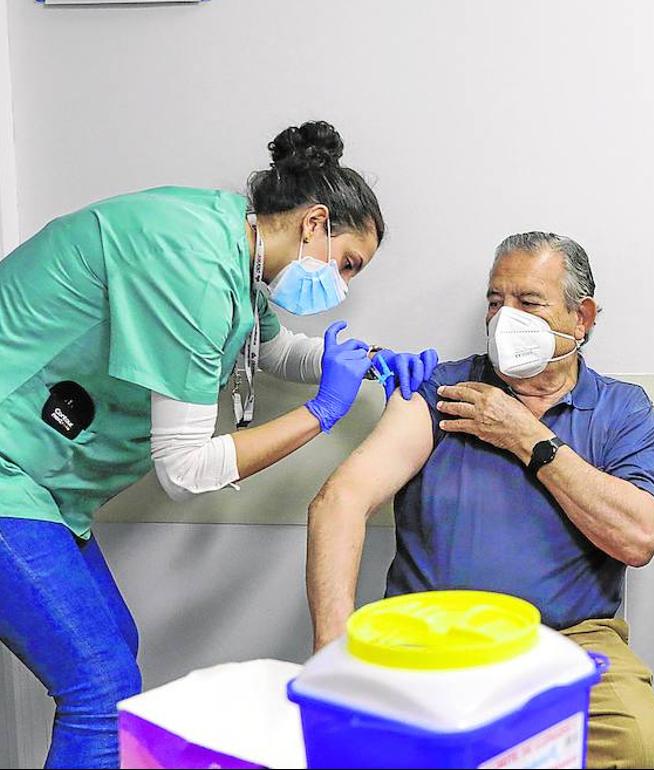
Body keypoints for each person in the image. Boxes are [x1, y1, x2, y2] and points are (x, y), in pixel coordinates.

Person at [0, 120, 435, 769]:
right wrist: (321, 413)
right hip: (10, 468)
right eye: (347, 263)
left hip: (42, 482)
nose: (341, 283)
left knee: (115, 645)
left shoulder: (231, 244)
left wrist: (368, 361)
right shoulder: (195, 266)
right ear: (314, 222)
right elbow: (185, 470)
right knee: (100, 687)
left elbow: (270, 347)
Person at [306, 232, 654, 769]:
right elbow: (339, 501)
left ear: (581, 319)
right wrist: (332, 655)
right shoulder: (441, 392)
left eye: (528, 303)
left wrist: (527, 438)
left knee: (649, 752)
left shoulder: (621, 409)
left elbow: (638, 538)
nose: (503, 319)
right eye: (495, 302)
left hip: (569, 642)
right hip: (429, 638)